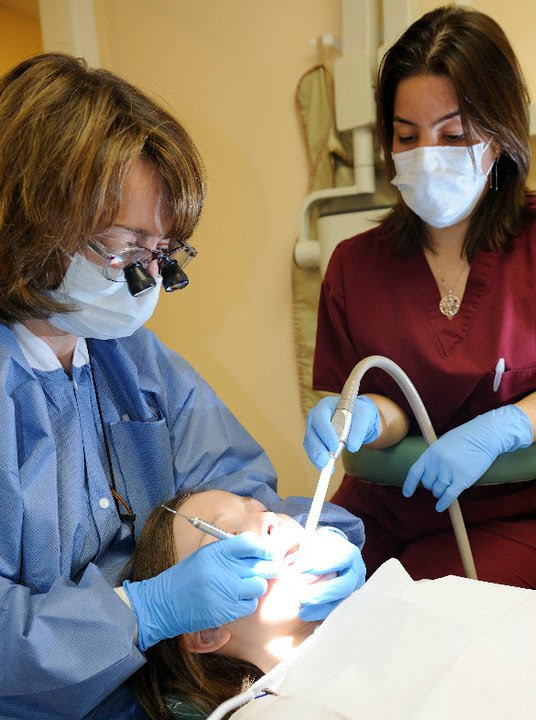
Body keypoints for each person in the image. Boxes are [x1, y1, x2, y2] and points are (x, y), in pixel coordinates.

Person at [0, 53, 365, 720]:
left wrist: (324, 538)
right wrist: (141, 611)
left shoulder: (132, 360)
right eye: (128, 249)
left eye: (162, 254)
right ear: (34, 220)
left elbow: (237, 488)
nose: (147, 281)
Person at [303, 4, 536, 593]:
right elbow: (397, 406)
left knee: (411, 616)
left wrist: (505, 428)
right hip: (383, 508)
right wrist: (365, 418)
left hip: (520, 515)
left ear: (500, 135)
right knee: (297, 598)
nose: (428, 156)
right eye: (408, 136)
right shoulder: (354, 265)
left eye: (454, 136)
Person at [127, 489, 536, 720]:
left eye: (258, 507)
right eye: (224, 535)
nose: (269, 519)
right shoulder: (276, 712)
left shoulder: (426, 595)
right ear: (205, 630)